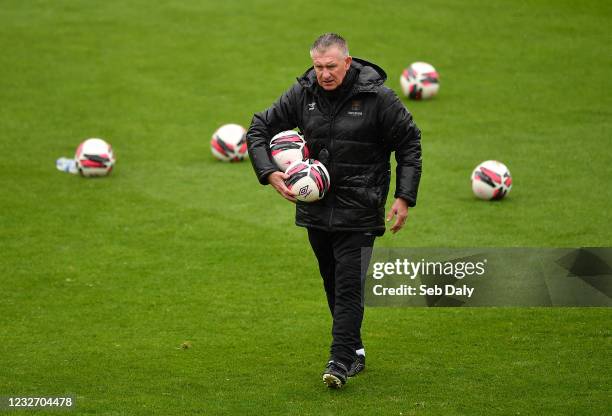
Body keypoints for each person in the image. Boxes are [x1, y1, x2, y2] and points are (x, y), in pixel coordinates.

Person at [246, 33, 422, 389]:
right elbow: (258, 127)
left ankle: (339, 361)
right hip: (316, 209)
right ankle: (354, 349)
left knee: (348, 286)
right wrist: (269, 172)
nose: (324, 74)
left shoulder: (379, 98)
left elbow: (409, 143)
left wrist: (404, 196)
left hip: (360, 210)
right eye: (318, 66)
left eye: (330, 67)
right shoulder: (304, 93)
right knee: (332, 283)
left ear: (347, 61)